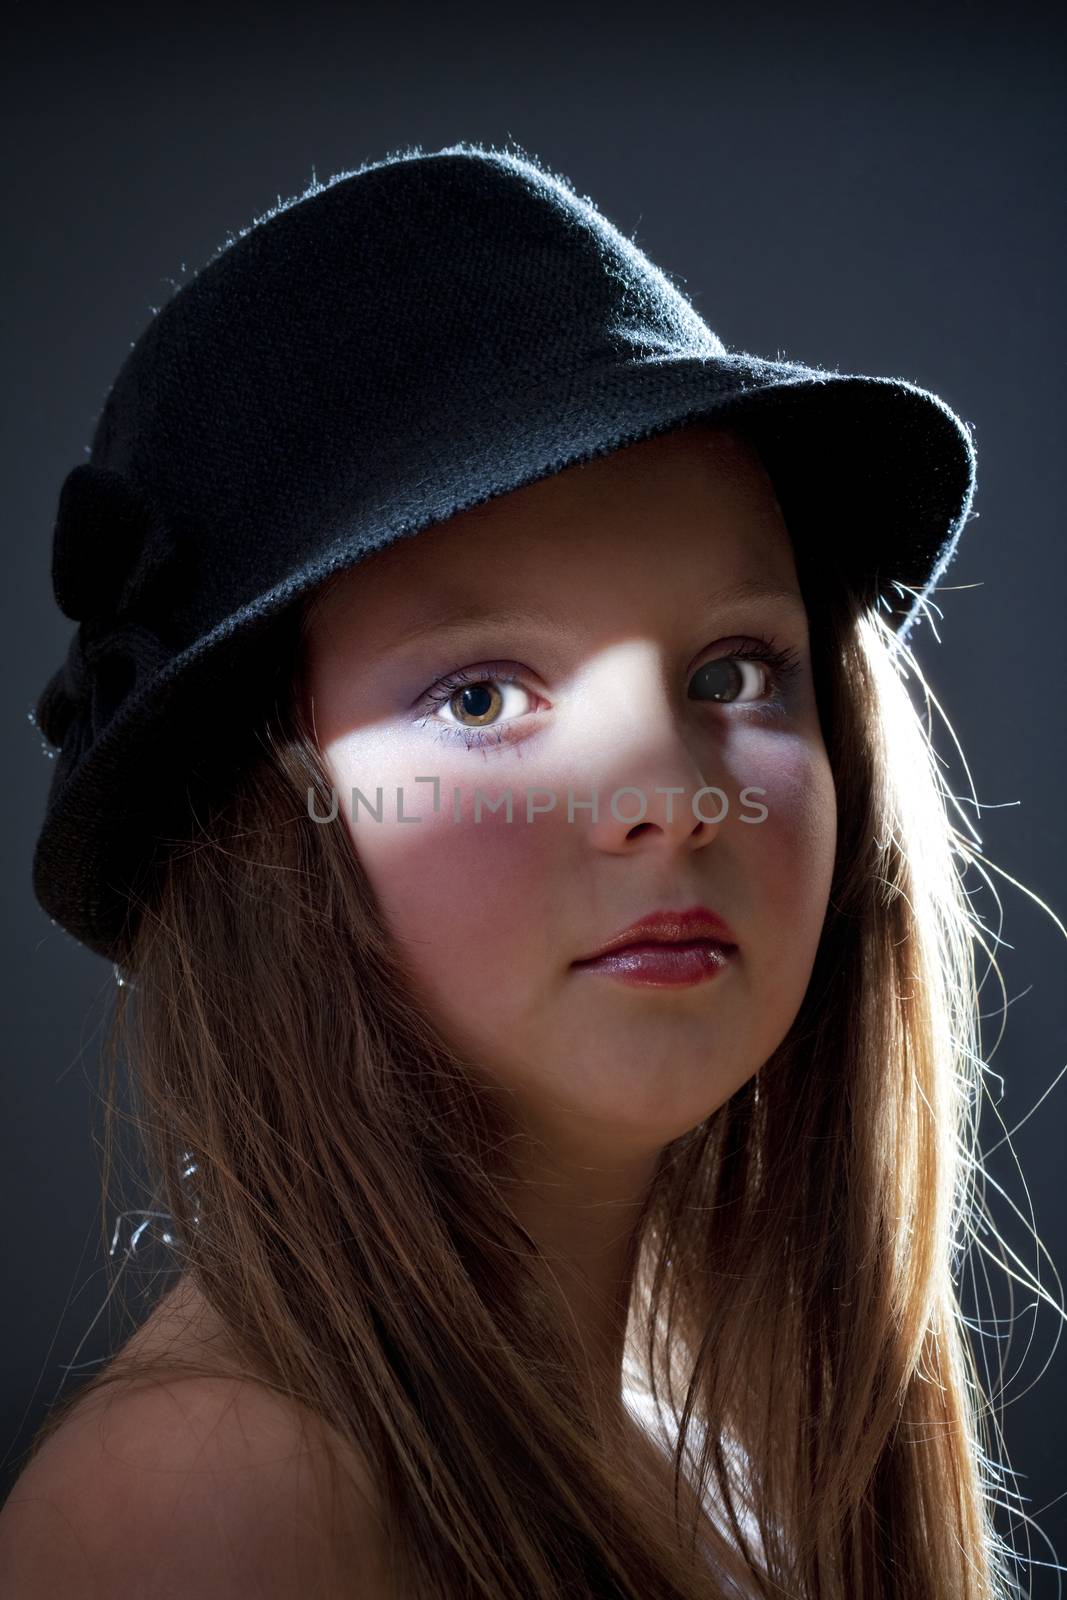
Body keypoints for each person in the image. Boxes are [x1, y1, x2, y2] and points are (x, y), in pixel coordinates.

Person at [2, 140, 1039, 1598]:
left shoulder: (730, 1486)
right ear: (258, 817)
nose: (670, 800)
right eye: (482, 698)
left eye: (735, 669)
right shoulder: (209, 1510)